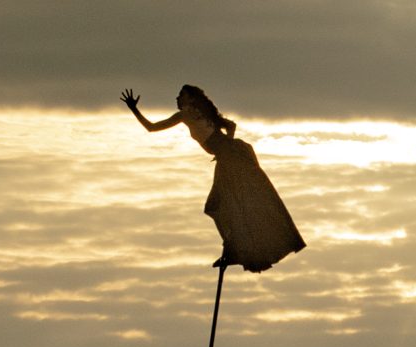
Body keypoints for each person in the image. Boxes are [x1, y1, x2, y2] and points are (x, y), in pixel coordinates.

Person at [120, 85, 306, 272]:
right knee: (231, 204)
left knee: (219, 205)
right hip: (232, 155)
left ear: (190, 99)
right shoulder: (205, 113)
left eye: (181, 95)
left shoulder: (185, 114)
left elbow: (152, 128)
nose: (177, 98)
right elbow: (231, 126)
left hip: (231, 158)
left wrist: (134, 109)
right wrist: (226, 145)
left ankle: (235, 249)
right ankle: (236, 248)